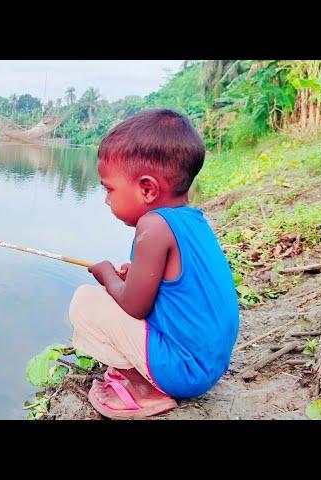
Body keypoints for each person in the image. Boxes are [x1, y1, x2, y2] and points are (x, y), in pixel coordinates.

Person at [70, 109, 239, 419]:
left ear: (147, 189)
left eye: (109, 189)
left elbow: (134, 306)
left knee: (85, 301)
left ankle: (144, 389)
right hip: (208, 365)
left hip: (184, 372)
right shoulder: (192, 220)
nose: (107, 200)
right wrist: (134, 276)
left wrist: (107, 275)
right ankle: (151, 376)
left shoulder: (153, 225)